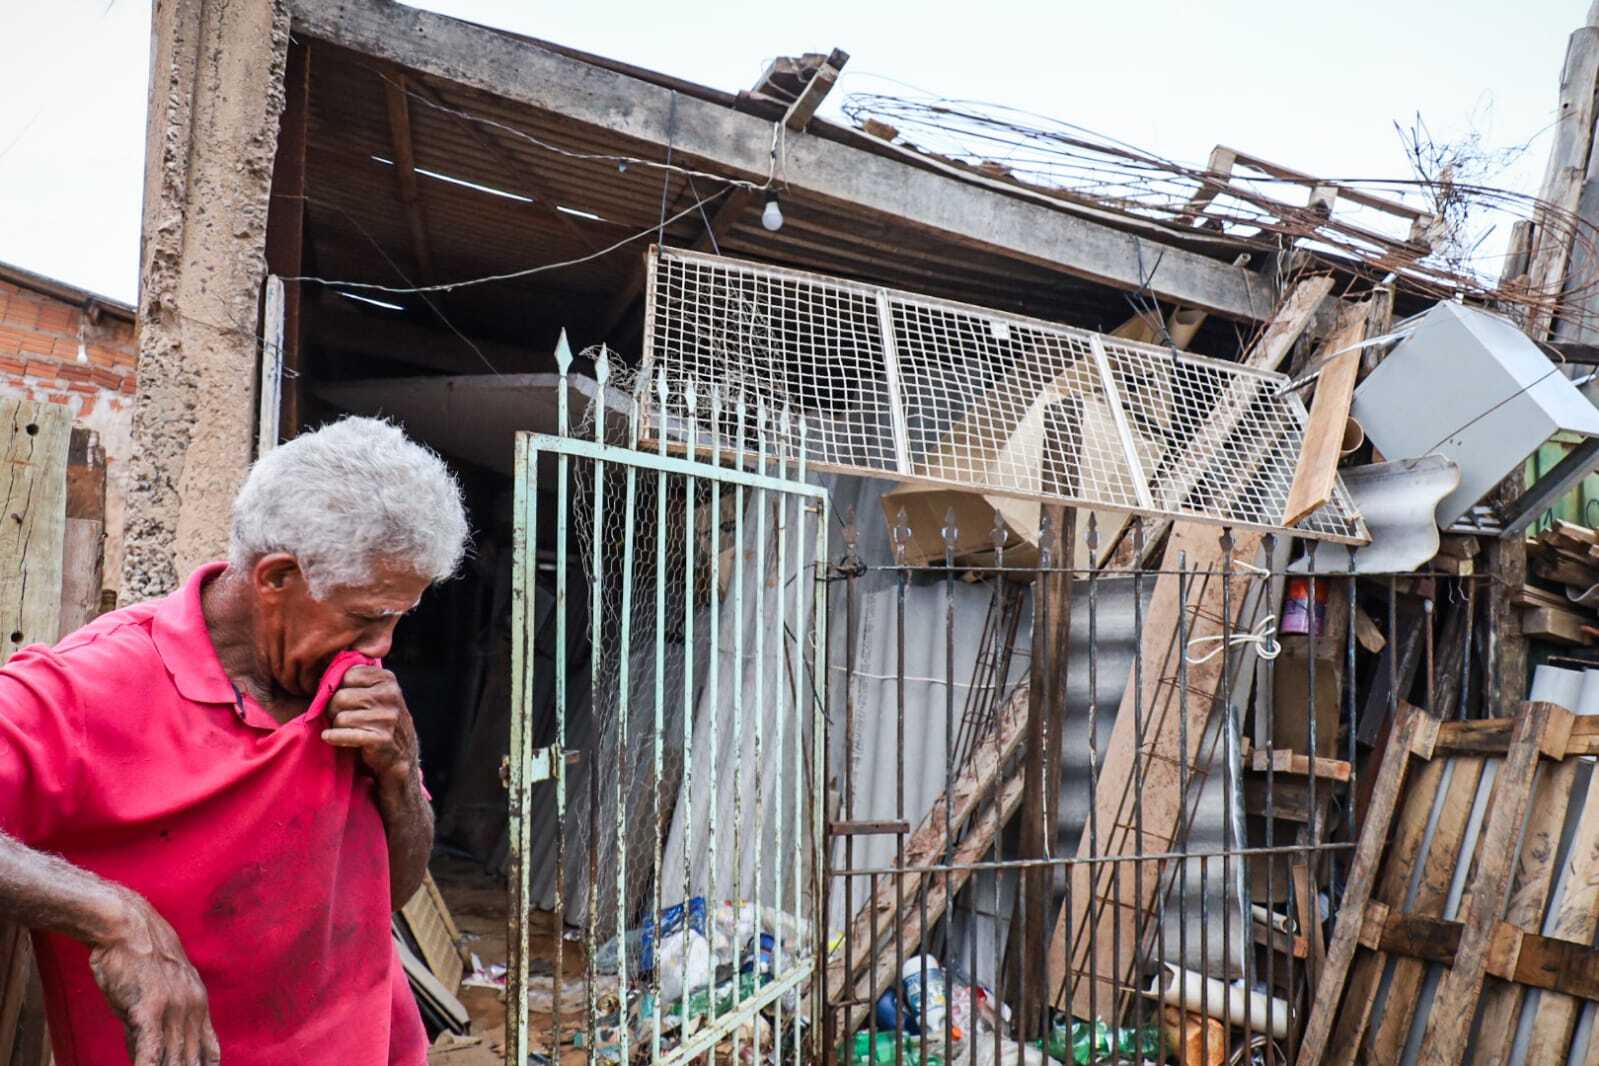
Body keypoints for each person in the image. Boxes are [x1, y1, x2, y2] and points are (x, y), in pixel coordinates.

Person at [0, 416, 470, 1066]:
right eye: (367, 617)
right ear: (276, 579)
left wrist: (400, 770)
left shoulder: (353, 683)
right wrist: (114, 918)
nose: (383, 646)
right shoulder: (88, 688)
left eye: (399, 618)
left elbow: (390, 892)